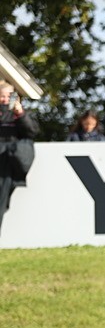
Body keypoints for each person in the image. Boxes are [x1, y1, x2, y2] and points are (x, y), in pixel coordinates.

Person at [0, 81, 37, 232]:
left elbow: (31, 132)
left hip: (8, 164)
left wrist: (20, 114)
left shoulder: (20, 115)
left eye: (9, 96)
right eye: (2, 96)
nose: (5, 100)